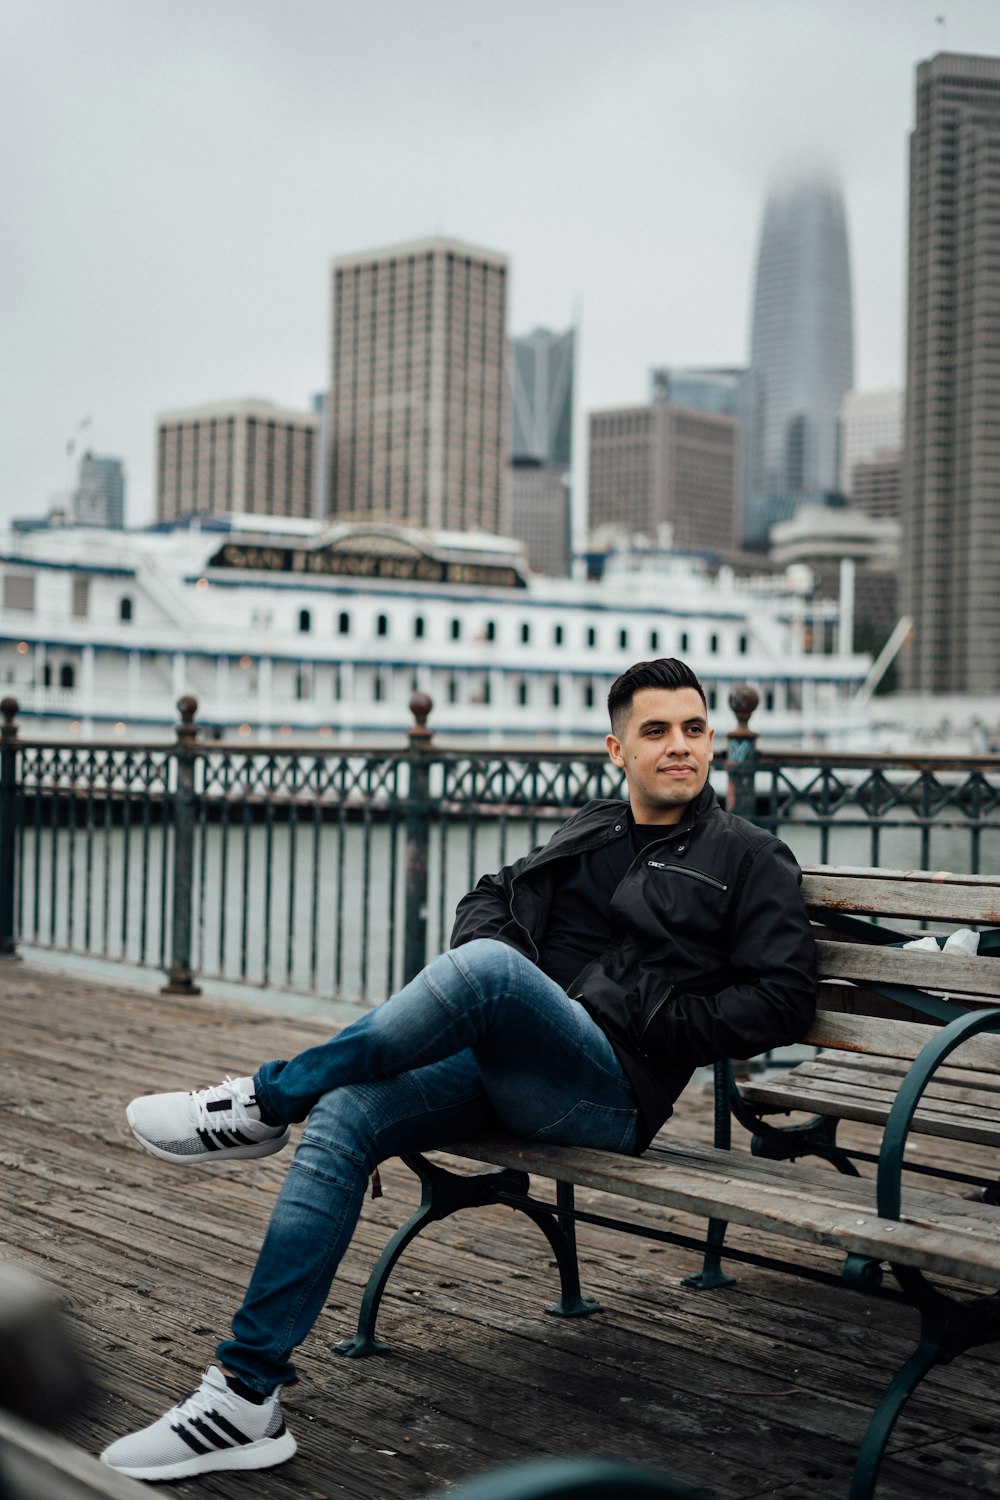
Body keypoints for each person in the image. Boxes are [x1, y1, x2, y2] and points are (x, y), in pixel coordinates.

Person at [100, 658, 817, 1481]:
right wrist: (515, 991)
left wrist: (638, 1010)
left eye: (694, 729)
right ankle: (242, 1397)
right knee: (349, 1110)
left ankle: (262, 1099)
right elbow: (492, 893)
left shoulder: (746, 854)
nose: (680, 747)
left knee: (483, 974)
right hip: (516, 1061)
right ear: (616, 749)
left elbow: (783, 1002)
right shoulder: (594, 827)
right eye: (656, 731)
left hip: (612, 1092)